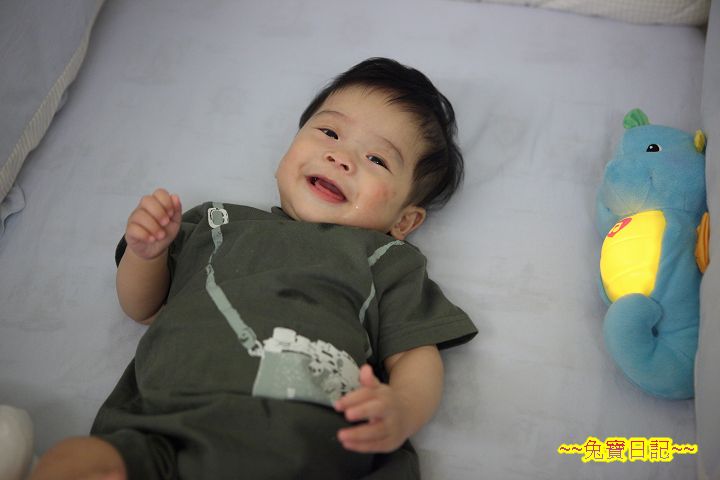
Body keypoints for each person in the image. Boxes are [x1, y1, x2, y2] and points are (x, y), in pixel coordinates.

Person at [31, 57, 477, 480]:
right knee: (73, 459)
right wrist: (146, 254)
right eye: (329, 132)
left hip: (309, 449)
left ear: (404, 222)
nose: (341, 158)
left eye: (377, 159)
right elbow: (143, 308)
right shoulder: (216, 222)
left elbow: (415, 356)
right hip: (163, 433)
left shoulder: (385, 260)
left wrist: (403, 409)